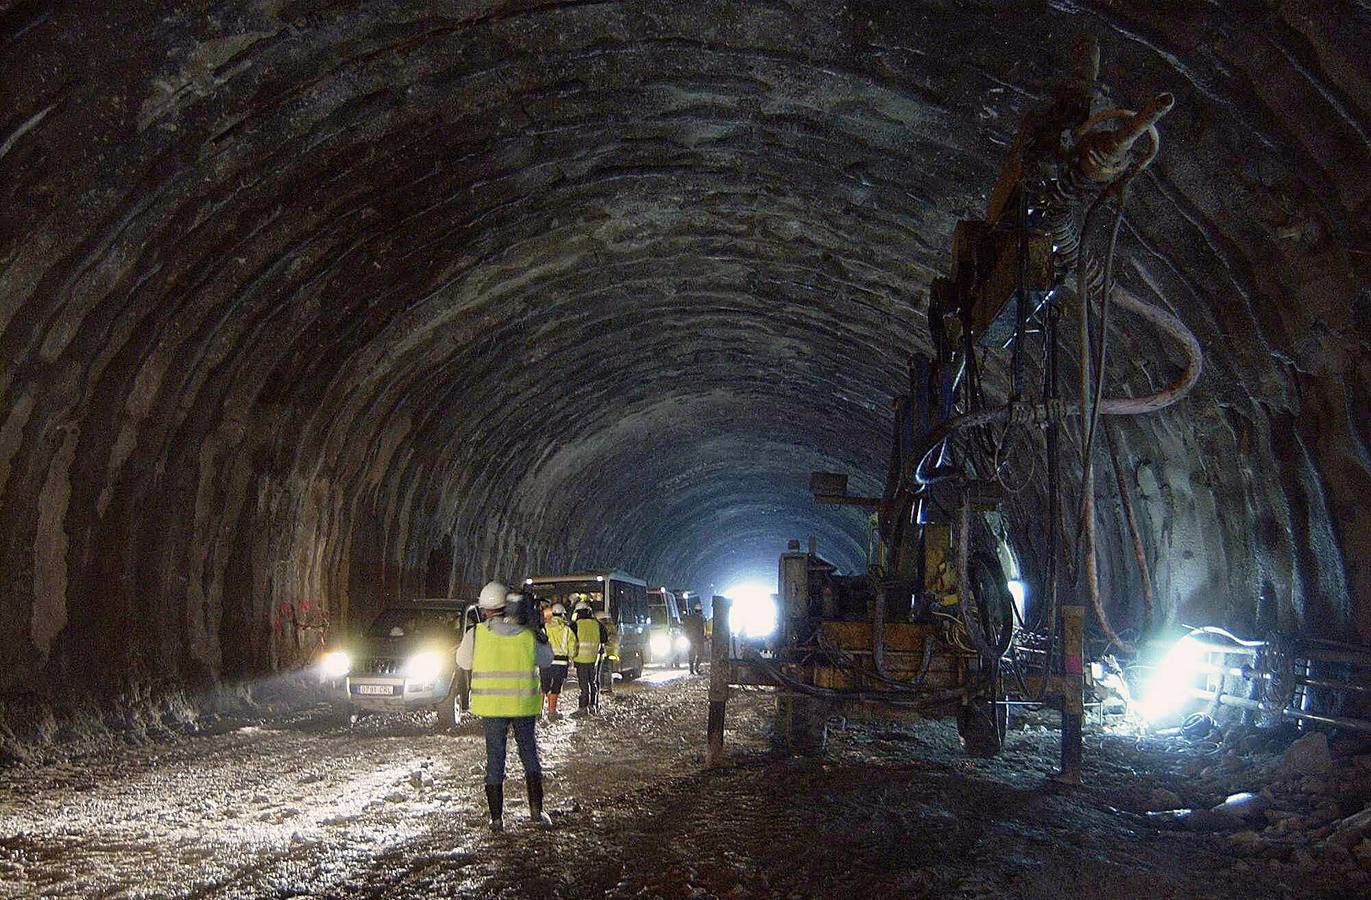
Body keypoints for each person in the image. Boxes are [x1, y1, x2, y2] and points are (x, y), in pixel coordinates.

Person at [456, 580, 554, 831]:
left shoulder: (476, 634)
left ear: (485, 609)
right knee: (529, 756)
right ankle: (536, 812)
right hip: (523, 706)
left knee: (495, 760)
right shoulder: (527, 634)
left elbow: (463, 662)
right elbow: (546, 660)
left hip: (492, 708)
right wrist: (538, 630)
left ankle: (496, 819)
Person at [542, 603, 576, 720]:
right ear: (562, 615)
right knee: (555, 687)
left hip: (546, 661)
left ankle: (538, 712)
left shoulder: (545, 627)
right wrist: (571, 658)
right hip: (561, 663)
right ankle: (552, 713)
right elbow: (572, 647)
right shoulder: (567, 630)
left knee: (543, 687)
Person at [571, 601, 604, 715]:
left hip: (580, 658)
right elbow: (604, 638)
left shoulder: (575, 625)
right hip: (593, 658)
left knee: (583, 685)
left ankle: (583, 707)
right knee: (593, 682)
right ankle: (593, 705)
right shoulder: (597, 624)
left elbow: (570, 639)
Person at [683, 601, 707, 674]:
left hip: (690, 639)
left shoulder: (689, 618)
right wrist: (704, 637)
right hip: (698, 640)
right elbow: (702, 630)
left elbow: (685, 627)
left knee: (691, 654)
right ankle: (696, 667)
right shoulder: (701, 618)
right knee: (700, 654)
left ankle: (691, 670)